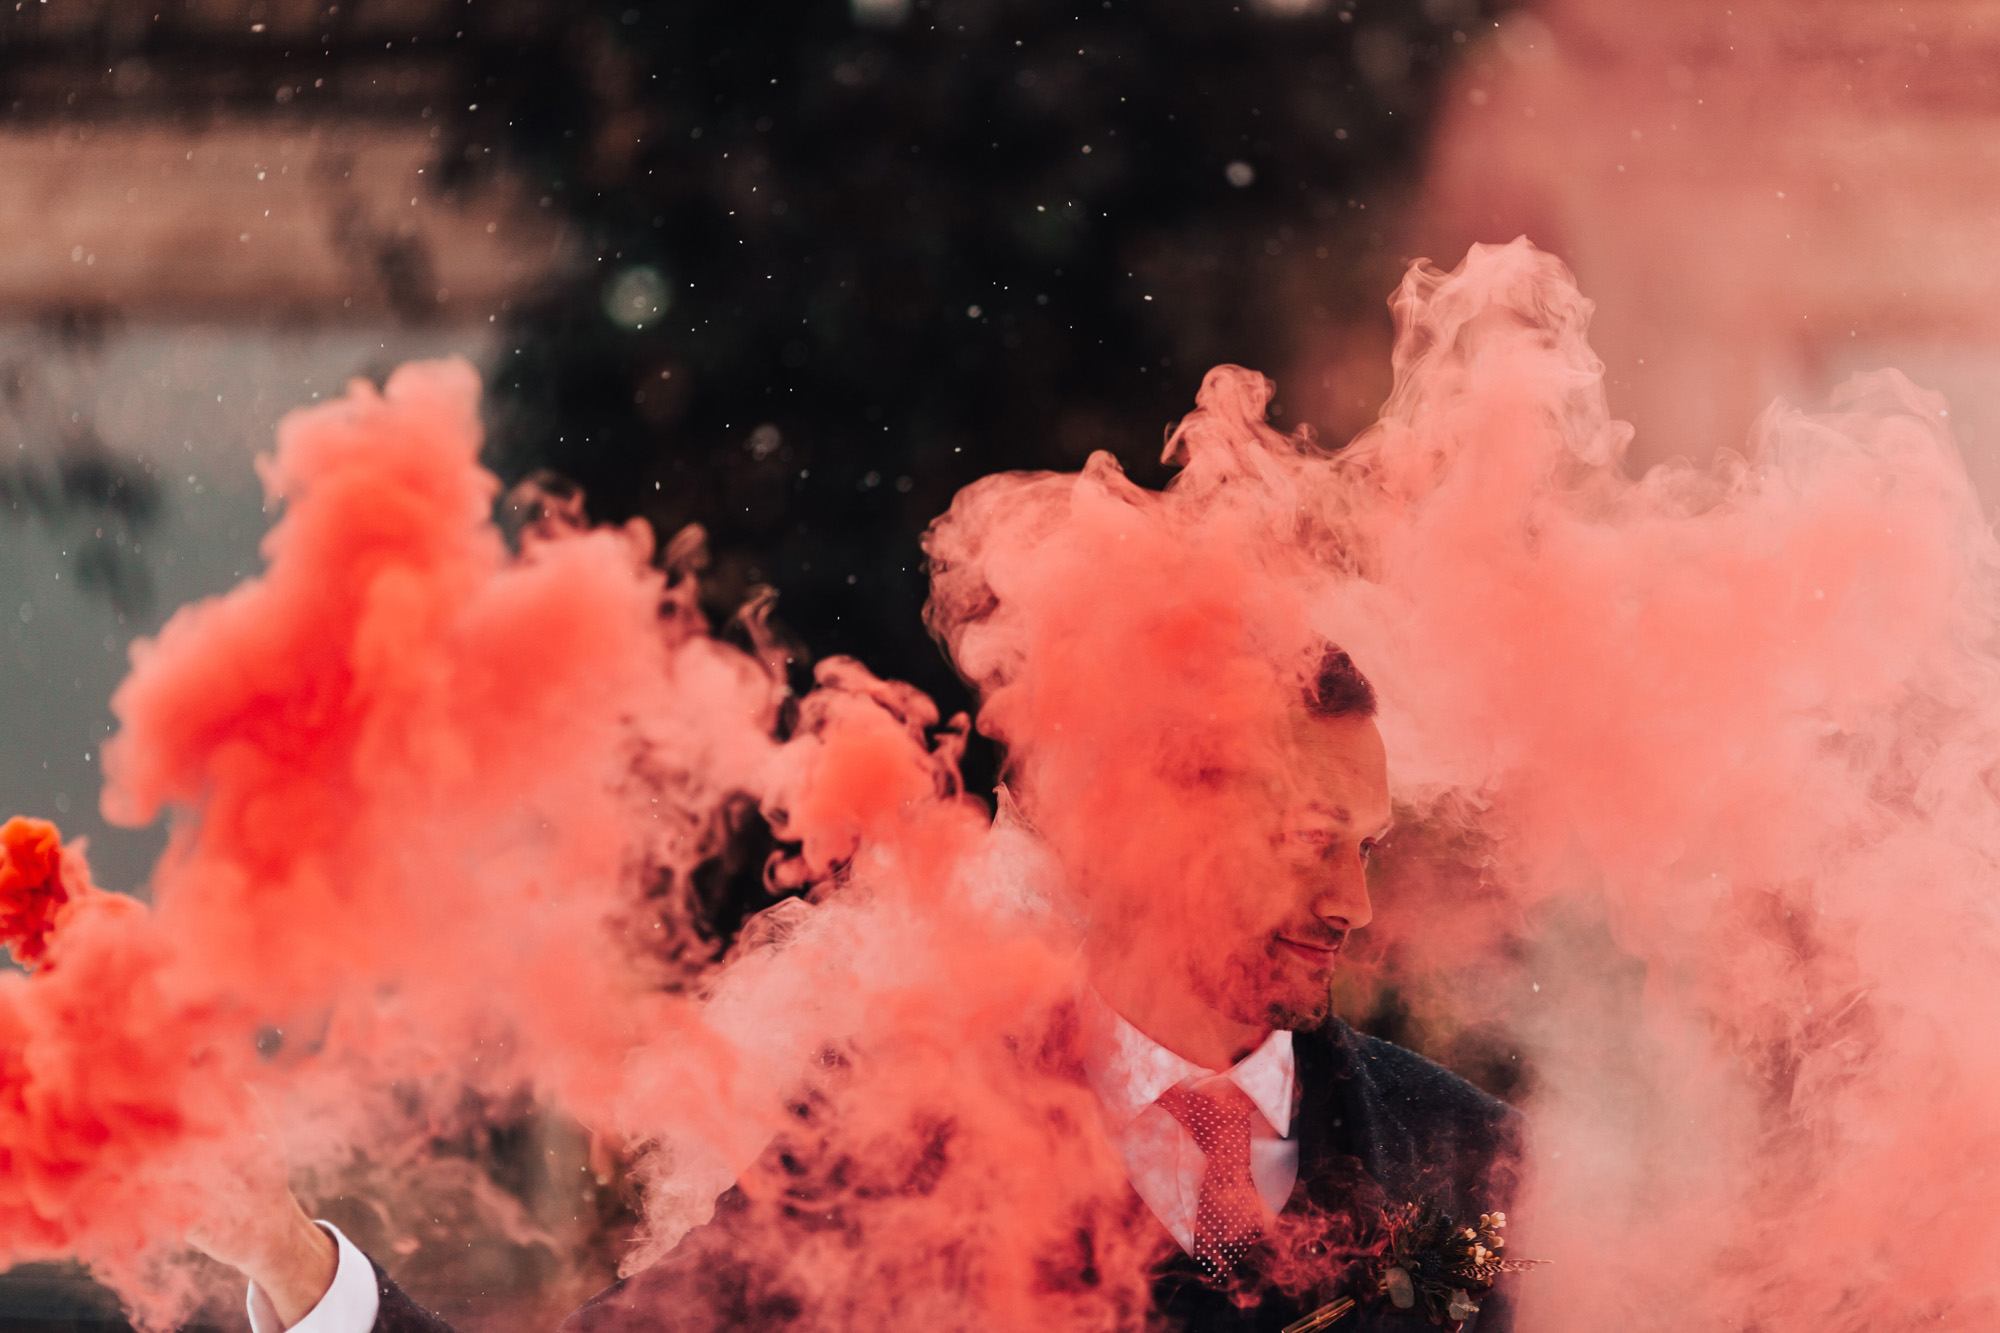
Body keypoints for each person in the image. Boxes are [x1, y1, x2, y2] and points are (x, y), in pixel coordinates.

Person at [196, 648, 1522, 1333]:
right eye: (1307, 839)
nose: (1354, 898)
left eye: (1367, 842)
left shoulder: (1474, 1155)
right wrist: (304, 1271)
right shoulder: (891, 1143)